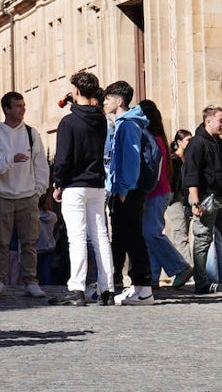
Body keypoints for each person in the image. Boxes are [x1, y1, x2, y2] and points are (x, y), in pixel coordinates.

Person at [48, 70, 112, 306]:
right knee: (101, 236)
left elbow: (63, 158)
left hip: (75, 184)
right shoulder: (101, 120)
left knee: (76, 238)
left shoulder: (69, 122)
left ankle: (76, 288)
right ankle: (107, 288)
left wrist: (58, 183)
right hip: (97, 183)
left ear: (75, 91)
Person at [0, 91, 48, 299]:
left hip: (27, 195)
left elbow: (41, 165)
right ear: (7, 109)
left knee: (30, 241)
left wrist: (38, 191)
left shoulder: (31, 133)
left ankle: (31, 281)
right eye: (18, 106)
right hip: (2, 195)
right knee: (0, 241)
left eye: (23, 105)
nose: (22, 109)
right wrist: (10, 159)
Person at [102, 80, 154, 306]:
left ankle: (144, 287)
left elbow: (131, 162)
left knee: (133, 238)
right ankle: (137, 286)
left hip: (128, 191)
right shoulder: (122, 124)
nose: (104, 102)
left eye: (108, 98)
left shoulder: (128, 125)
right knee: (125, 238)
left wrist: (123, 189)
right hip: (122, 189)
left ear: (119, 101)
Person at [183, 105, 222, 294]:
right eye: (221, 120)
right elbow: (192, 174)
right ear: (208, 121)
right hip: (206, 199)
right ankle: (201, 282)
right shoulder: (197, 143)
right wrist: (195, 202)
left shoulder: (221, 144)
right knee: (202, 239)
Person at [138, 100, 191, 290]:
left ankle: (180, 267)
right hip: (160, 192)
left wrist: (144, 193)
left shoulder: (152, 139)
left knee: (151, 234)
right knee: (150, 235)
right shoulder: (158, 138)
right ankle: (153, 276)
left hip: (156, 193)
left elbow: (153, 169)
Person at [164, 129, 193, 270]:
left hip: (185, 201)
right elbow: (172, 182)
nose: (190, 143)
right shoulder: (174, 160)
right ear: (179, 142)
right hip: (175, 200)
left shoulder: (187, 159)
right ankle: (187, 268)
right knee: (180, 235)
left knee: (183, 234)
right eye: (188, 140)